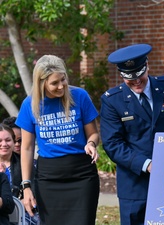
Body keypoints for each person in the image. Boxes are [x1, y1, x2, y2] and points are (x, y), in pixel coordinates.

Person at [100, 43, 164, 225]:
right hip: (134, 184)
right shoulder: (112, 101)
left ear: (147, 66)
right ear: (122, 75)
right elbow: (112, 143)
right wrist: (147, 165)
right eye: (130, 78)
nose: (137, 81)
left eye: (140, 74)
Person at [15, 55, 100, 225]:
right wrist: (26, 187)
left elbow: (94, 134)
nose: (61, 86)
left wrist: (91, 144)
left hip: (82, 175)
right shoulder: (29, 104)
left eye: (63, 79)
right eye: (55, 83)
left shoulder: (80, 96)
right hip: (48, 178)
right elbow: (27, 148)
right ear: (41, 83)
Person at [0, 124, 38, 224]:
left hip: (24, 214)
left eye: (8, 140)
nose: (4, 144)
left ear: (13, 142)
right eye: (0, 141)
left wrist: (19, 204)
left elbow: (35, 193)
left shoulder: (27, 164)